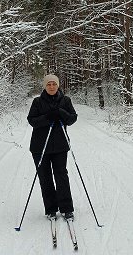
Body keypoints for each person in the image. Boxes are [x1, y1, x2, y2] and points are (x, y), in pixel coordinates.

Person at [27, 74, 78, 220]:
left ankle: (66, 208)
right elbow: (32, 121)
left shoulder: (65, 100)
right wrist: (47, 117)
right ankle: (50, 209)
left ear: (58, 85)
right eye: (48, 84)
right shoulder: (37, 102)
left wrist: (61, 112)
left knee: (61, 176)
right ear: (45, 86)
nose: (51, 86)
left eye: (54, 84)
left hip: (60, 146)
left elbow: (72, 118)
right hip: (40, 147)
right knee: (45, 177)